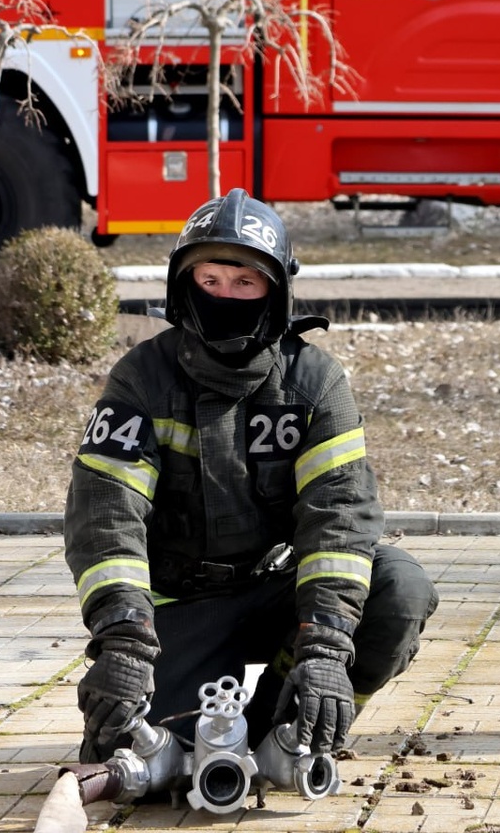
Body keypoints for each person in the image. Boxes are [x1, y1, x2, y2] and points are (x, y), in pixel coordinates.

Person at [63, 188, 438, 767]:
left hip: (277, 592)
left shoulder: (314, 384)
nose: (225, 295)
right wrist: (125, 641)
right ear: (183, 286)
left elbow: (340, 517)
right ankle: (206, 726)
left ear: (276, 291)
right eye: (210, 280)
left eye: (245, 282)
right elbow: (105, 517)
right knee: (131, 754)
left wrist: (325, 650)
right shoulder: (141, 379)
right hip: (179, 605)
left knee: (400, 589)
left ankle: (295, 730)